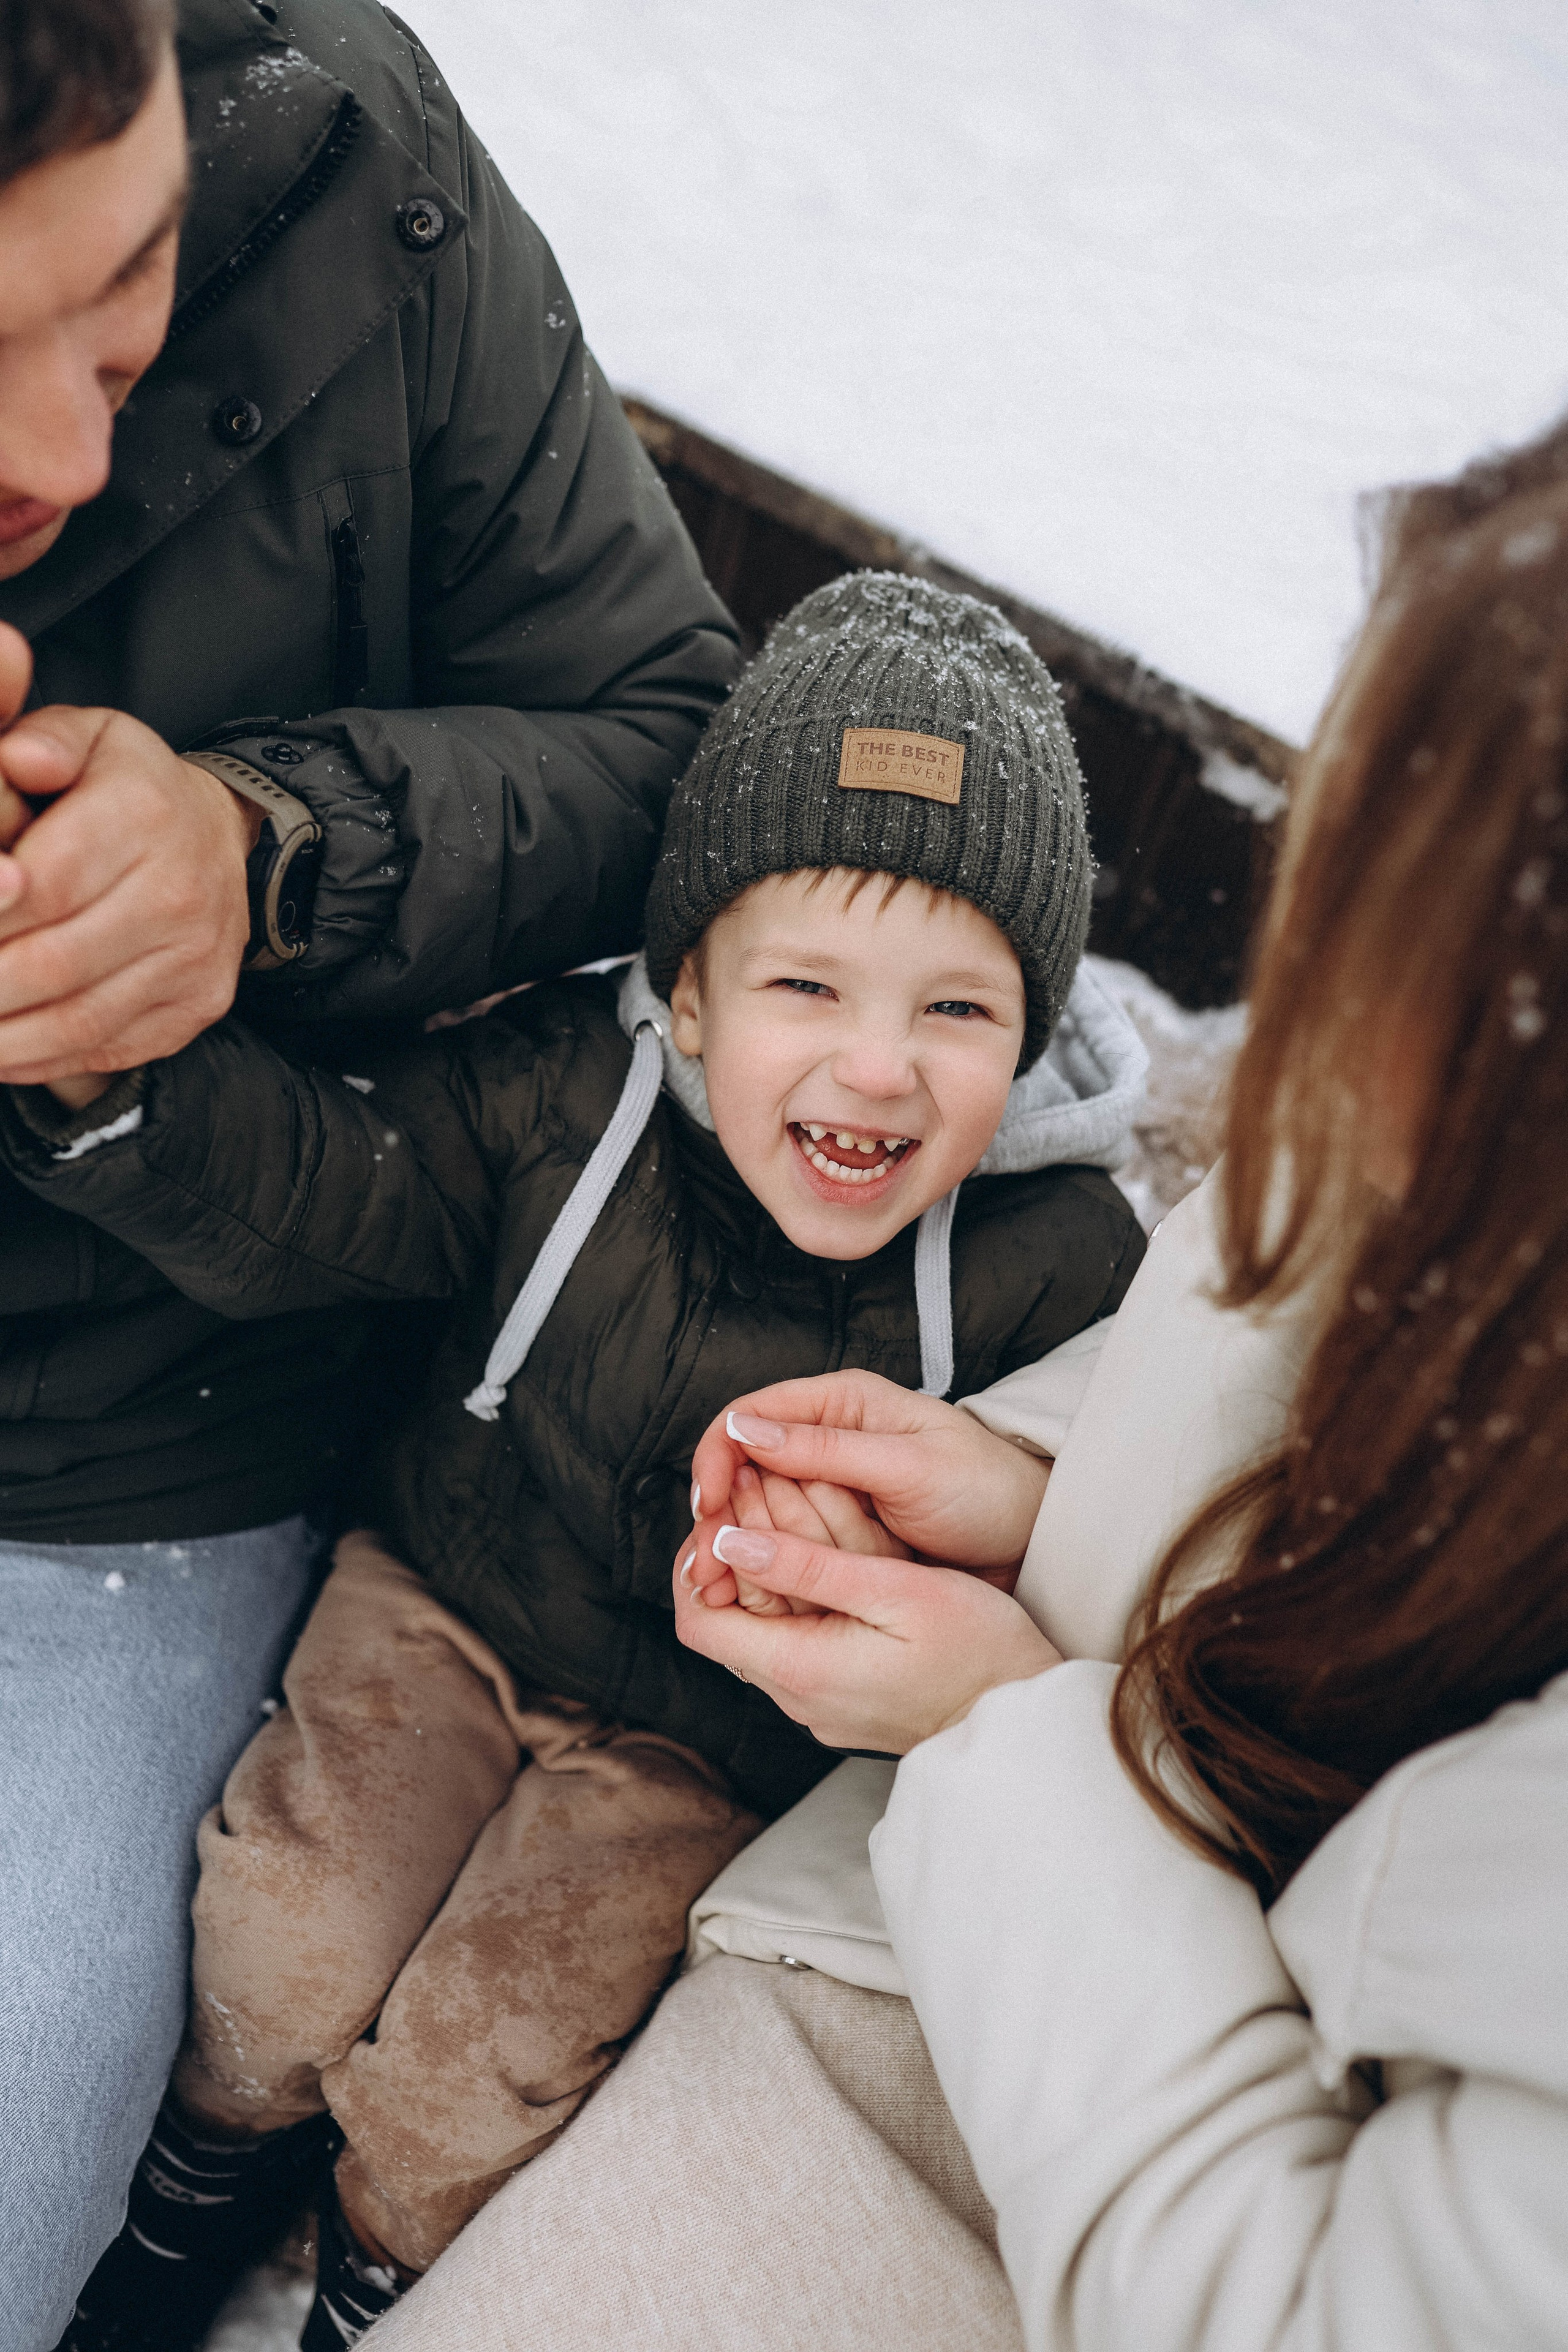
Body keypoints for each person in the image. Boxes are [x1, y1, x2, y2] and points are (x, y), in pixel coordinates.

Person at [358, 422, 1568, 2352]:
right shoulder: (1411, 1173)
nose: (1309, 1041)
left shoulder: (1057, 1227)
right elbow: (1285, 1376)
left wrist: (1010, 1732)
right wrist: (1031, 1481)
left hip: (1125, 2125)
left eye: (955, 1008)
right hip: (984, 1898)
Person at [4, 571, 1148, 2345]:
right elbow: (340, 1187)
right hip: (451, 1590)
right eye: (807, 983)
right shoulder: (563, 1093)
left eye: (958, 1012)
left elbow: (1104, 1518)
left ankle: (376, 2288)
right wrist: (115, 1083)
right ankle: (176, 2240)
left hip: (709, 1733)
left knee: (484, 2056)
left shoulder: (1062, 1259)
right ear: (688, 997)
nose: (876, 1066)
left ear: (1035, 1030)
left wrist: (962, 1547)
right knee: (292, 1938)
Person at [0, 0, 738, 2333]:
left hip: (132, 1449)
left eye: (118, 297)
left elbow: (675, 739)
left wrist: (271, 844)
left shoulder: (335, 143)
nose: (52, 444)